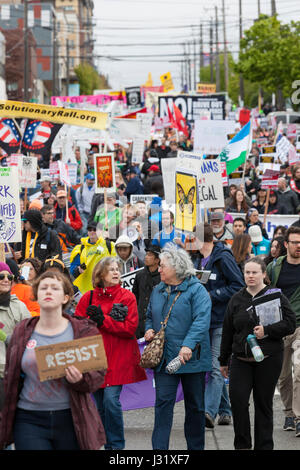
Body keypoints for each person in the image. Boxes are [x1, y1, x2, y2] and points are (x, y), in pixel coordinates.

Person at [0, 270, 106, 450]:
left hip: (72, 418)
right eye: (44, 288)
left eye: (55, 288)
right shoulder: (22, 331)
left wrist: (79, 380)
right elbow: (12, 378)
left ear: (65, 297)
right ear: (36, 295)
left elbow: (97, 377)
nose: (48, 291)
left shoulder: (82, 331)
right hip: (29, 419)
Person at [219, 257, 296, 450]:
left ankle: (264, 446)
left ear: (264, 274)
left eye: (255, 272)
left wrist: (267, 330)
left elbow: (290, 324)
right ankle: (242, 446)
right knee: (238, 401)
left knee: (263, 404)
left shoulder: (276, 296)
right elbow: (227, 330)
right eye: (247, 272)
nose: (251, 276)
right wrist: (223, 361)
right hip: (241, 359)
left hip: (269, 358)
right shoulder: (236, 299)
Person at [144, 246, 212, 450]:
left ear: (176, 267)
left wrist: (187, 346)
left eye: (163, 266)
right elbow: (149, 316)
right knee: (163, 405)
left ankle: (195, 448)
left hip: (192, 358)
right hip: (165, 358)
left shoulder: (197, 289)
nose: (159, 269)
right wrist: (148, 329)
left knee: (195, 407)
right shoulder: (158, 289)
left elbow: (201, 320)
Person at [75, 257, 146, 450]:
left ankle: (116, 447)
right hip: (95, 359)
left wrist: (103, 320)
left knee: (111, 402)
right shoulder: (87, 297)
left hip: (119, 358)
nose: (116, 272)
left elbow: (130, 328)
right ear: (100, 274)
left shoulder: (126, 297)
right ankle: (107, 445)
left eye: (118, 269)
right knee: (99, 407)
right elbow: (77, 329)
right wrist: (86, 322)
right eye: (111, 269)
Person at [193, 223, 244, 429]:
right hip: (205, 321)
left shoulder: (223, 257)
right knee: (211, 366)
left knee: (215, 368)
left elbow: (238, 285)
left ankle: (208, 412)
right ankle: (225, 410)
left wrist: (212, 295)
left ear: (199, 240)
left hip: (222, 321)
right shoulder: (198, 259)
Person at [266, 226, 300, 436]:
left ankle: (298, 416)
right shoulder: (274, 268)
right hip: (280, 327)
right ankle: (288, 412)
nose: (299, 246)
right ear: (286, 244)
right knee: (283, 376)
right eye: (295, 242)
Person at [0, 262, 31, 411]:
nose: (6, 280)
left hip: (14, 372)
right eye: (1, 276)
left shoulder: (19, 306)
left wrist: (7, 338)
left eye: (9, 276)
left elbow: (29, 338)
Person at [70, 221, 116, 294]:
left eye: (95, 230)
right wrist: (78, 270)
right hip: (86, 291)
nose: (92, 232)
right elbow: (73, 269)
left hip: (106, 288)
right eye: (90, 230)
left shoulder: (110, 246)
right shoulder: (80, 248)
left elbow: (117, 265)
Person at [132, 245, 161, 339]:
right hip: (139, 320)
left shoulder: (163, 276)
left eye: (149, 255)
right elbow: (135, 296)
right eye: (146, 254)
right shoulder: (139, 275)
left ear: (157, 260)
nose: (146, 257)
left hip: (155, 321)